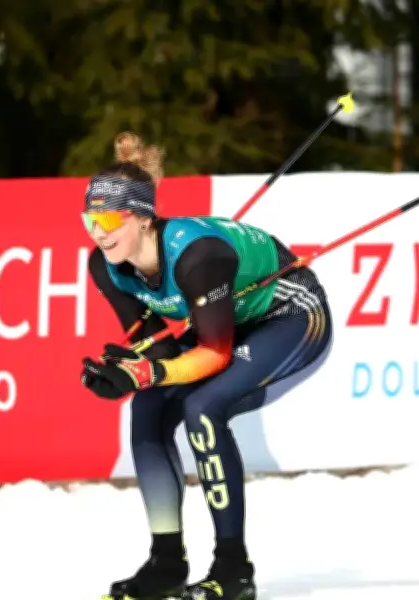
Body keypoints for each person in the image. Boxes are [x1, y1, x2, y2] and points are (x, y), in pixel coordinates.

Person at [80, 132, 334, 600]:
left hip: (292, 317)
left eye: (109, 218)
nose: (98, 231)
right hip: (228, 322)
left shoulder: (199, 257)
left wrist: (149, 371)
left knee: (204, 408)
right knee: (148, 408)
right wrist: (126, 372)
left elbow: (214, 353)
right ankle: (166, 563)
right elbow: (152, 340)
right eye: (89, 219)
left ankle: (233, 570)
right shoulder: (106, 264)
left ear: (142, 217)